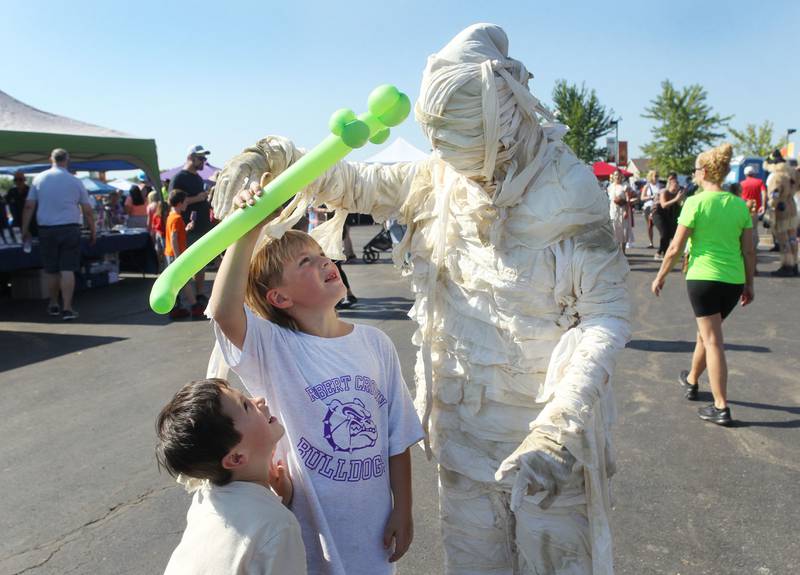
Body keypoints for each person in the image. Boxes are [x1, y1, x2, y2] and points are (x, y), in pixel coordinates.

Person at [212, 24, 630, 574]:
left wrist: (563, 425)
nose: (462, 165)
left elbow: (603, 316)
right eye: (447, 148)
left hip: (546, 447)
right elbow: (350, 181)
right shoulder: (440, 178)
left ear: (505, 112)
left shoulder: (570, 195)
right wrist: (276, 157)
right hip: (461, 441)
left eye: (469, 145)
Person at [207, 198, 425, 575]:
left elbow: (397, 436)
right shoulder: (274, 349)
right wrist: (248, 230)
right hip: (309, 534)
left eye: (321, 254)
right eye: (304, 262)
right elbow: (225, 311)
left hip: (372, 531)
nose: (324, 261)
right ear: (280, 297)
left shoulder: (375, 343)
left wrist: (402, 507)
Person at [156, 378, 307, 574]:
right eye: (246, 405)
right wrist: (278, 509)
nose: (259, 401)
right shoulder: (279, 526)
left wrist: (280, 500)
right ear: (236, 457)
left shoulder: (205, 497)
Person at [651, 143, 754, 426]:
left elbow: (675, 247)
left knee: (712, 340)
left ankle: (721, 406)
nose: (693, 175)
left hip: (703, 279)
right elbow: (748, 251)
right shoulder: (738, 205)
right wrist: (749, 284)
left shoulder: (695, 202)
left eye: (696, 170)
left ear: (705, 171)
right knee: (706, 334)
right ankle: (692, 380)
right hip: (732, 281)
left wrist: (659, 276)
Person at [21, 148, 95, 321]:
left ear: (50, 159)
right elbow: (87, 210)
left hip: (46, 229)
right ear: (67, 160)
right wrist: (93, 230)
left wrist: (24, 229)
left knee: (51, 270)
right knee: (67, 269)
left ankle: (53, 303)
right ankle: (67, 308)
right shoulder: (75, 181)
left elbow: (29, 206)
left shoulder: (39, 179)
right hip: (70, 228)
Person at [170, 145, 213, 301]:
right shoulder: (179, 178)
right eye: (201, 158)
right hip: (187, 229)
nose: (204, 161)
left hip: (201, 227)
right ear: (191, 158)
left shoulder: (197, 178)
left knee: (200, 263)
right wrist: (198, 198)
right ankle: (183, 300)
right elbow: (173, 201)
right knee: (185, 265)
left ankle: (199, 294)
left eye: (204, 158)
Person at [164, 190, 203, 319]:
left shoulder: (171, 216)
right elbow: (174, 237)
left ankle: (176, 307)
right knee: (183, 281)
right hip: (175, 254)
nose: (187, 204)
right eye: (186, 202)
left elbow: (175, 235)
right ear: (180, 203)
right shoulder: (177, 218)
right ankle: (194, 305)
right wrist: (178, 257)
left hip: (171, 253)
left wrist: (185, 229)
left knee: (176, 282)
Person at [764, 150, 799, 277]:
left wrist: (771, 208)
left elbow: (774, 194)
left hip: (781, 209)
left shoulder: (777, 176)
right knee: (792, 239)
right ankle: (795, 264)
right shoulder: (791, 173)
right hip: (792, 207)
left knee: (783, 239)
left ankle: (787, 266)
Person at [652, 172, 684, 260]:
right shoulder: (664, 192)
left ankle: (663, 252)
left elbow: (680, 204)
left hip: (669, 212)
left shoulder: (678, 193)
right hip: (658, 212)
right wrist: (676, 199)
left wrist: (680, 200)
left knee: (672, 233)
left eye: (677, 186)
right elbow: (663, 205)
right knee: (664, 233)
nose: (676, 188)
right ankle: (662, 253)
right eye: (674, 186)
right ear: (669, 186)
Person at [739, 165, 767, 250]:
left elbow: (739, 197)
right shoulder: (759, 182)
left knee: (743, 229)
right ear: (754, 174)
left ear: (745, 174)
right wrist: (763, 206)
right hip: (755, 210)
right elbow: (764, 193)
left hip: (743, 209)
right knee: (754, 229)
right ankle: (753, 247)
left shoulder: (741, 184)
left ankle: (744, 246)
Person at [607, 169, 631, 254]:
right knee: (614, 229)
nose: (617, 177)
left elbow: (628, 200)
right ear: (613, 176)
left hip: (622, 210)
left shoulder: (625, 186)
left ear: (622, 176)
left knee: (623, 230)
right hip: (613, 210)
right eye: (615, 175)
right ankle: (615, 251)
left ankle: (623, 251)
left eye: (619, 175)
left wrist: (626, 211)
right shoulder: (610, 187)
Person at [7, 170, 36, 238]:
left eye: (20, 179)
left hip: (30, 224)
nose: (18, 182)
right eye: (16, 179)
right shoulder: (11, 191)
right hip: (16, 224)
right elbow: (5, 203)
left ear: (24, 180)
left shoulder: (30, 191)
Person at [639, 169, 659, 248]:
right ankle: (651, 242)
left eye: (658, 176)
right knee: (650, 225)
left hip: (657, 206)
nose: (657, 177)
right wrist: (651, 197)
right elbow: (642, 198)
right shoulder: (647, 186)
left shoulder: (659, 185)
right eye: (655, 176)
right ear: (651, 177)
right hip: (648, 206)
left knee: (660, 224)